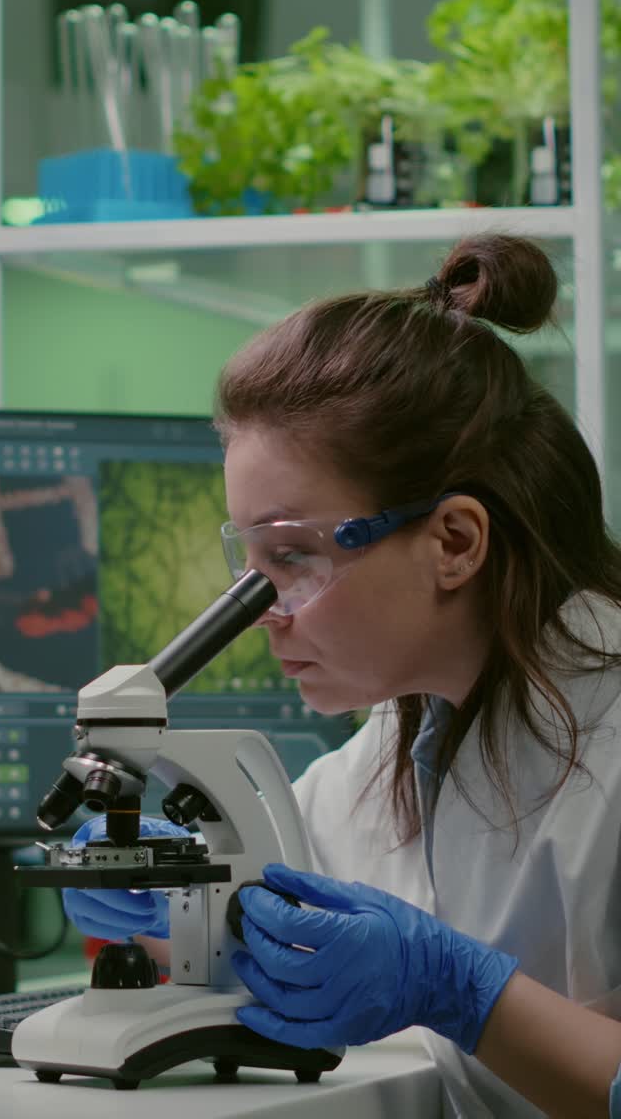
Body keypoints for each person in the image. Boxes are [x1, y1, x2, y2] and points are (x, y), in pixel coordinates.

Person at [64, 233, 621, 1118]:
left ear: (454, 542)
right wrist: (175, 903)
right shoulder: (400, 743)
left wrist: (463, 991)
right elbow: (284, 931)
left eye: (293, 557)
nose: (266, 613)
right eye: (250, 568)